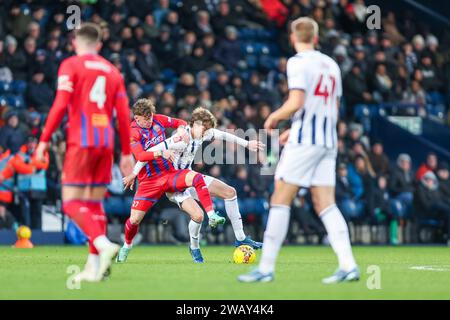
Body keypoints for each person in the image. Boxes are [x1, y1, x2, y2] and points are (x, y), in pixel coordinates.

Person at [238, 17, 359, 284]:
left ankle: (265, 268)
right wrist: (296, 128)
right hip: (327, 140)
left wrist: (273, 118)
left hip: (306, 143)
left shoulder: (297, 62)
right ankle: (348, 265)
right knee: (325, 202)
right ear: (316, 38)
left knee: (280, 198)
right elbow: (333, 109)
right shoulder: (331, 64)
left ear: (294, 38)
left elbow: (297, 101)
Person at [35, 23, 134, 282]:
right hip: (105, 142)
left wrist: (43, 140)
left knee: (70, 202)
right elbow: (123, 115)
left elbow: (60, 104)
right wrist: (125, 152)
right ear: (99, 45)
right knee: (93, 204)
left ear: (75, 43)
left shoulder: (71, 64)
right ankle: (93, 267)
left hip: (81, 140)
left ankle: (103, 244)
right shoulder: (113, 71)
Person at [124, 107, 265, 262]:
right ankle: (195, 247)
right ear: (196, 125)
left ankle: (240, 238)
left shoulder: (202, 132)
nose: (207, 134)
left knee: (230, 192)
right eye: (205, 130)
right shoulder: (179, 138)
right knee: (198, 216)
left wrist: (246, 143)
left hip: (190, 177)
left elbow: (222, 134)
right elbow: (151, 151)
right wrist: (134, 174)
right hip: (175, 184)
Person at [116, 99, 222, 263]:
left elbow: (179, 122)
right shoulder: (133, 133)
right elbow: (141, 156)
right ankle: (126, 246)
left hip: (169, 173)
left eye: (150, 116)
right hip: (148, 181)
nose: (150, 120)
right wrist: (161, 153)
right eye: (146, 118)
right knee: (135, 220)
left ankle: (209, 219)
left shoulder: (158, 119)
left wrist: (181, 130)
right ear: (137, 118)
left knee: (196, 183)